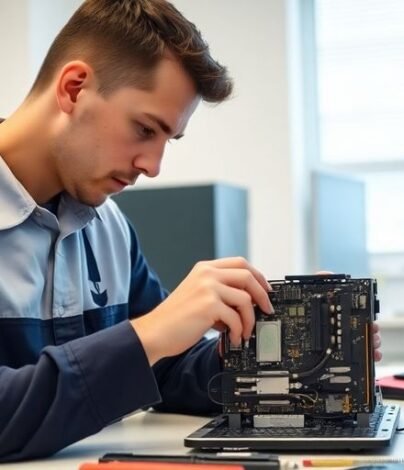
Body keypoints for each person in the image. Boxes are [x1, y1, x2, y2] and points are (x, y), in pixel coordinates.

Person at [0, 0, 382, 462]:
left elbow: (161, 370)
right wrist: (150, 332)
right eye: (144, 128)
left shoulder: (108, 227)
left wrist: (272, 354)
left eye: (167, 141)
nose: (154, 167)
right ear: (74, 87)